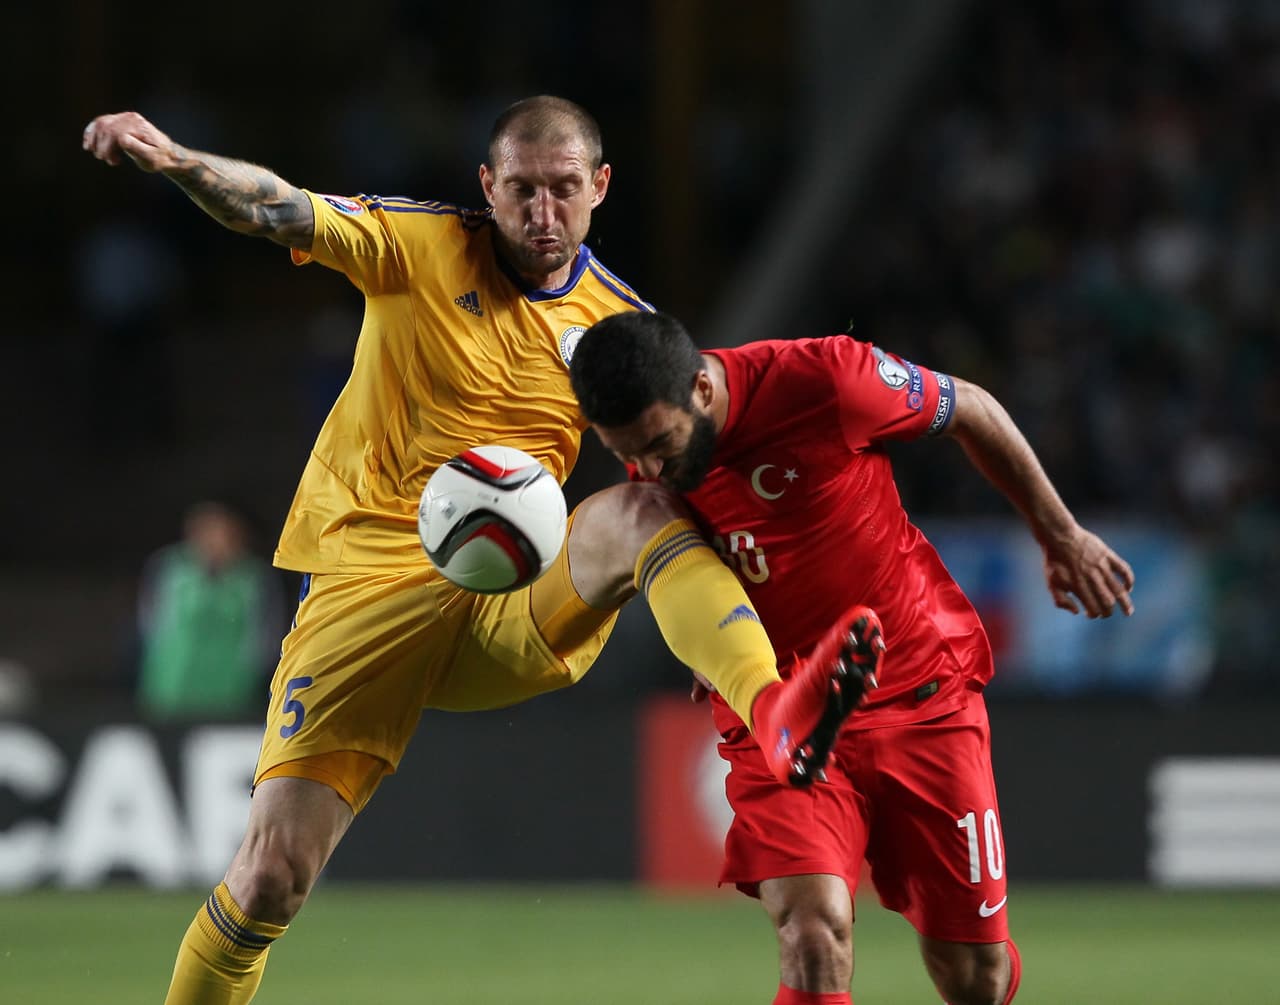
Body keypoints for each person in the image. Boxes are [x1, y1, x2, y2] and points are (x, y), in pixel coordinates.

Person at [82, 96, 882, 1005]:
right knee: (270, 877)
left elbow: (698, 463)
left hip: (513, 599)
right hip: (363, 592)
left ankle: (773, 704)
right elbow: (277, 206)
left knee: (644, 509)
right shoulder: (417, 246)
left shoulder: (617, 329)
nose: (544, 215)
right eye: (524, 192)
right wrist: (181, 161)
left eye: (565, 191)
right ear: (488, 188)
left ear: (601, 187)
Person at [569, 310, 1137, 1005]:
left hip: (918, 693)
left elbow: (974, 410)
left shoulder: (828, 381)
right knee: (812, 932)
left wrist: (1061, 535)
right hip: (786, 719)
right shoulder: (650, 434)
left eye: (659, 444)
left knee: (975, 974)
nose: (650, 468)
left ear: (703, 390)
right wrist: (713, 643)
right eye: (628, 451)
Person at [137, 500, 285, 719]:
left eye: (223, 532)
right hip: (170, 692)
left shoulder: (256, 579)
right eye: (208, 531)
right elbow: (149, 624)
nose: (215, 541)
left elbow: (267, 638)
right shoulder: (169, 569)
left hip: (233, 695)